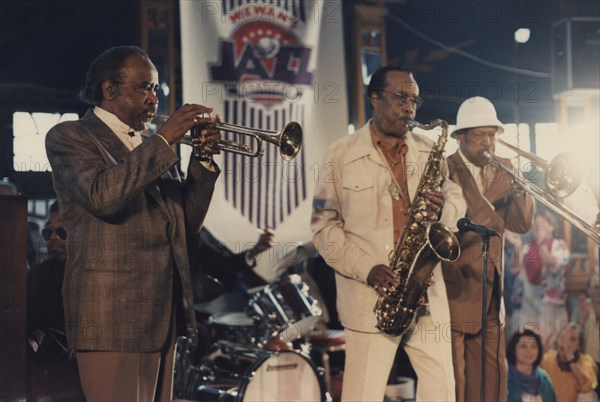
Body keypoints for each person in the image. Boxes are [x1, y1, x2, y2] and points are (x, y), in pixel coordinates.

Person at [45, 45, 222, 402]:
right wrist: (163, 141)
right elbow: (103, 196)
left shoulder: (149, 146)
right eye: (144, 87)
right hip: (109, 319)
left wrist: (201, 165)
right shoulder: (70, 136)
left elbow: (185, 224)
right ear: (109, 90)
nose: (154, 100)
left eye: (157, 89)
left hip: (160, 318)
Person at [311, 65, 466, 401]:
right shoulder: (339, 154)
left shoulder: (428, 150)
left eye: (414, 100)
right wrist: (366, 268)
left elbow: (455, 195)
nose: (409, 107)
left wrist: (445, 211)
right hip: (372, 299)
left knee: (443, 393)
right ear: (375, 98)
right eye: (400, 98)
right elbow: (323, 228)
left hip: (426, 293)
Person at [442, 96, 535, 402]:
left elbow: (520, 224)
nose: (489, 143)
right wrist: (491, 197)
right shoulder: (445, 170)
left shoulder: (502, 168)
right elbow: (453, 229)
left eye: (492, 136)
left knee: (493, 382)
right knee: (458, 384)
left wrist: (521, 192)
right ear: (461, 137)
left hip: (492, 293)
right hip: (455, 293)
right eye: (481, 135)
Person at [26, 202, 85, 400]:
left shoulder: (90, 276)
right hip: (48, 374)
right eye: (48, 232)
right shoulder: (38, 275)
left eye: (61, 231)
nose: (53, 238)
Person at [517, 211, 570, 349]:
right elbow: (514, 268)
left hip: (554, 310)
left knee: (555, 350)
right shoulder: (528, 248)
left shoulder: (559, 245)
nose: (537, 227)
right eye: (535, 225)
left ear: (551, 226)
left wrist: (541, 243)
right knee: (534, 351)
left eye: (541, 224)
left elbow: (550, 262)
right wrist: (515, 243)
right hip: (531, 310)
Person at [539, 323, 598, 402]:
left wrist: (570, 358)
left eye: (572, 339)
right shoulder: (547, 358)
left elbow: (585, 386)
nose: (566, 343)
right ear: (557, 341)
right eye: (563, 337)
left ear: (579, 346)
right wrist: (540, 354)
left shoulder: (586, 361)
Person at [506, 328, 557, 402]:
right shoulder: (504, 378)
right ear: (514, 349)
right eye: (523, 346)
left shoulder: (544, 379)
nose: (529, 351)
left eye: (533, 347)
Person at [578, 273, 600, 396]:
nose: (599, 291)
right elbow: (573, 339)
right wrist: (582, 320)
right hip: (588, 364)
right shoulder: (582, 307)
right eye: (596, 287)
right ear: (589, 290)